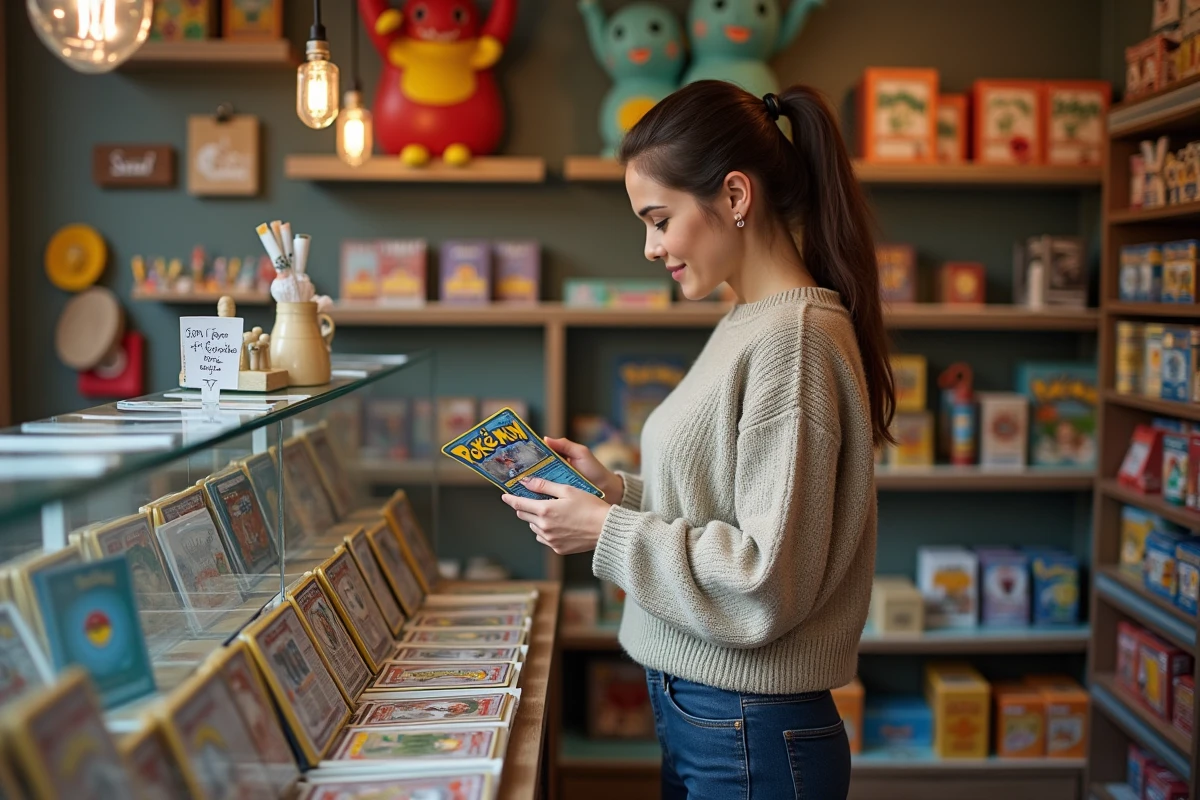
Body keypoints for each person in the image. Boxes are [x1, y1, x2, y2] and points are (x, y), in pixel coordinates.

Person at [501, 80, 894, 800]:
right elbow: (736, 506)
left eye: (659, 219)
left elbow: (765, 580)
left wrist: (607, 530)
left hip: (746, 720)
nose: (650, 247)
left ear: (736, 197)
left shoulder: (794, 340)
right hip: (712, 710)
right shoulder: (750, 322)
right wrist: (616, 493)